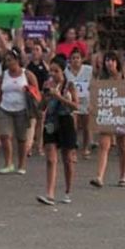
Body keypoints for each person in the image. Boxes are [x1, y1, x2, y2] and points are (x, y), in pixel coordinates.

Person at [37, 56, 79, 205]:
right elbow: (41, 108)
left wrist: (59, 97)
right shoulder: (47, 85)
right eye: (51, 71)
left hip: (66, 121)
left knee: (67, 159)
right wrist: (46, 98)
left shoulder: (70, 85)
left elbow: (75, 106)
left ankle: (68, 190)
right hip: (51, 121)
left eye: (56, 71)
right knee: (50, 158)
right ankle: (50, 193)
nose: (53, 74)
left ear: (63, 71)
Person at [90, 51, 125, 188]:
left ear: (117, 63)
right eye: (107, 60)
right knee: (104, 145)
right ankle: (99, 177)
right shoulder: (101, 80)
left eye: (112, 60)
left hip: (121, 115)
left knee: (122, 146)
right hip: (107, 115)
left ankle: (123, 176)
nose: (109, 63)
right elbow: (93, 93)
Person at [0, 52, 37, 176]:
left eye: (11, 60)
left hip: (22, 109)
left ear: (17, 60)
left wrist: (29, 90)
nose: (9, 63)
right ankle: (8, 163)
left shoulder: (27, 74)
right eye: (6, 61)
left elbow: (37, 93)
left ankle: (22, 165)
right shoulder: (3, 75)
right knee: (5, 136)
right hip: (4, 108)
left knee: (21, 138)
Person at [65, 47, 94, 157]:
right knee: (73, 126)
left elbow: (94, 82)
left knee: (86, 127)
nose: (76, 60)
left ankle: (86, 148)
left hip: (86, 100)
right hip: (72, 102)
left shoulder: (88, 70)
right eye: (73, 58)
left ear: (81, 59)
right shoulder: (66, 72)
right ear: (70, 60)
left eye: (78, 58)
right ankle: (73, 149)